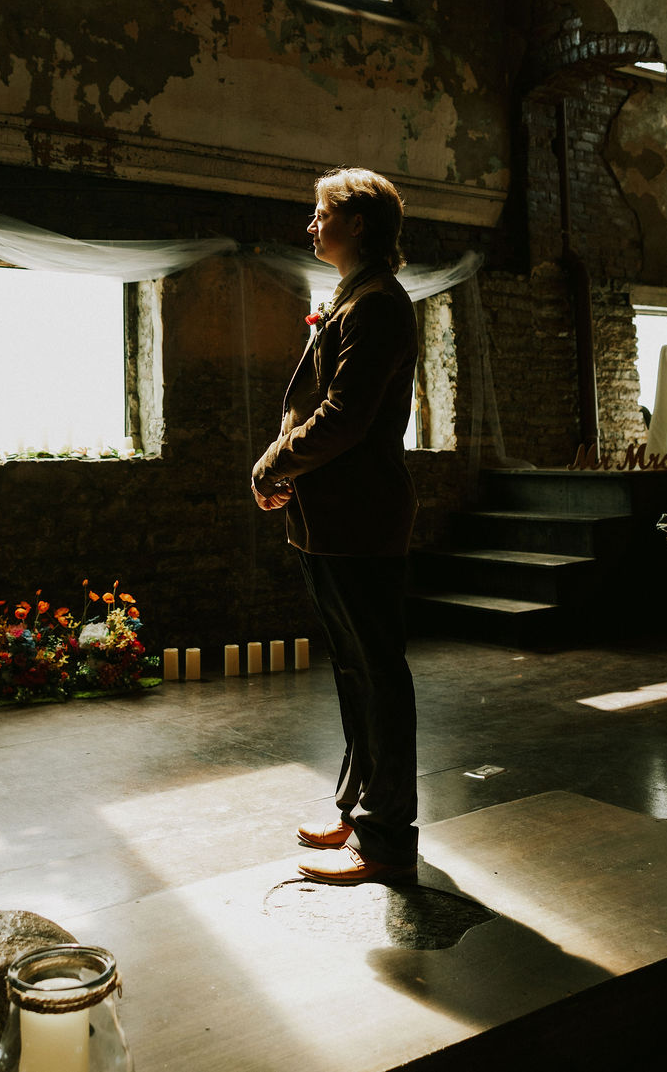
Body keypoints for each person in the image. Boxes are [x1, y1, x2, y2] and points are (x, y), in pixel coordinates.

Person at [251, 167, 419, 885]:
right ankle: (359, 806)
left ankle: (387, 842)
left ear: (357, 224)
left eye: (322, 214)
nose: (311, 225)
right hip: (328, 517)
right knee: (353, 672)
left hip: (361, 514)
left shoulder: (378, 306)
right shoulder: (353, 299)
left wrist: (271, 463)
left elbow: (345, 416)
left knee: (379, 675)